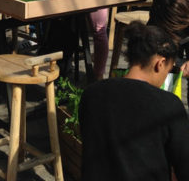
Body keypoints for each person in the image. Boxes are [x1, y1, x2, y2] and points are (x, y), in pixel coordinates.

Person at [79, 21, 189, 181]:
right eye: (169, 69)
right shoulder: (169, 106)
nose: (166, 75)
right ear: (160, 63)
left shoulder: (92, 93)